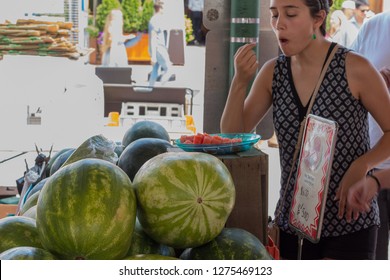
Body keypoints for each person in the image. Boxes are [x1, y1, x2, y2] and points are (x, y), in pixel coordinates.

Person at [221, 0, 390, 260]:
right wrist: (239, 81)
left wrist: (363, 165)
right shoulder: (272, 73)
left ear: (318, 18)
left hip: (350, 220)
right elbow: (233, 136)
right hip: (294, 223)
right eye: (274, 15)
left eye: (290, 14)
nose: (280, 24)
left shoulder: (356, 68)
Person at [350, 10, 390, 260]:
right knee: (372, 260)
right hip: (371, 171)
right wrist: (372, 87)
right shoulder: (373, 27)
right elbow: (345, 83)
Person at [148, 1, 175, 86]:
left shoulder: (155, 19)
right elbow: (153, 37)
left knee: (155, 70)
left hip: (157, 48)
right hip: (159, 48)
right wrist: (153, 56)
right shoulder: (156, 20)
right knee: (169, 70)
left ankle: (150, 89)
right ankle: (161, 87)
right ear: (160, 8)